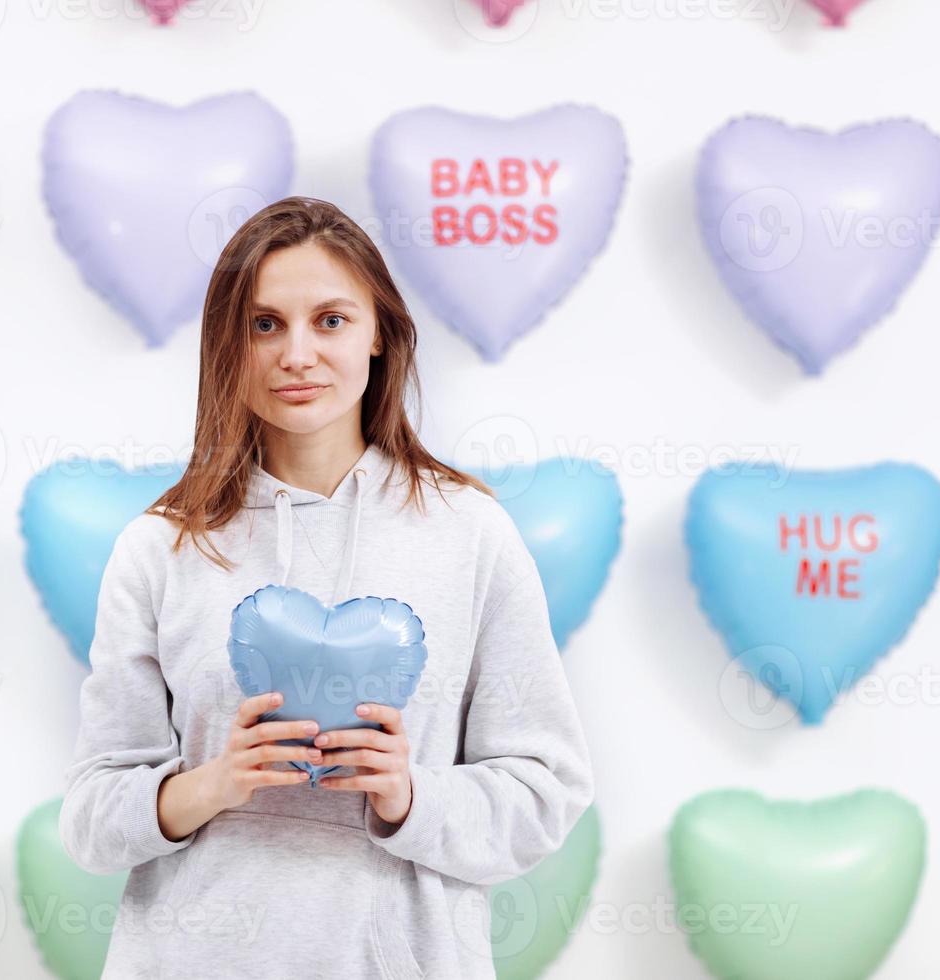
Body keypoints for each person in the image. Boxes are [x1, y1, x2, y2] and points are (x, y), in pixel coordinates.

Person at [59, 195, 594, 978]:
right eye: (264, 324)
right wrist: (211, 784)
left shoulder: (470, 534)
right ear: (226, 346)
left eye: (331, 321)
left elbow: (547, 792)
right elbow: (91, 819)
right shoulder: (161, 548)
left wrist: (409, 796)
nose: (296, 354)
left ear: (380, 334)